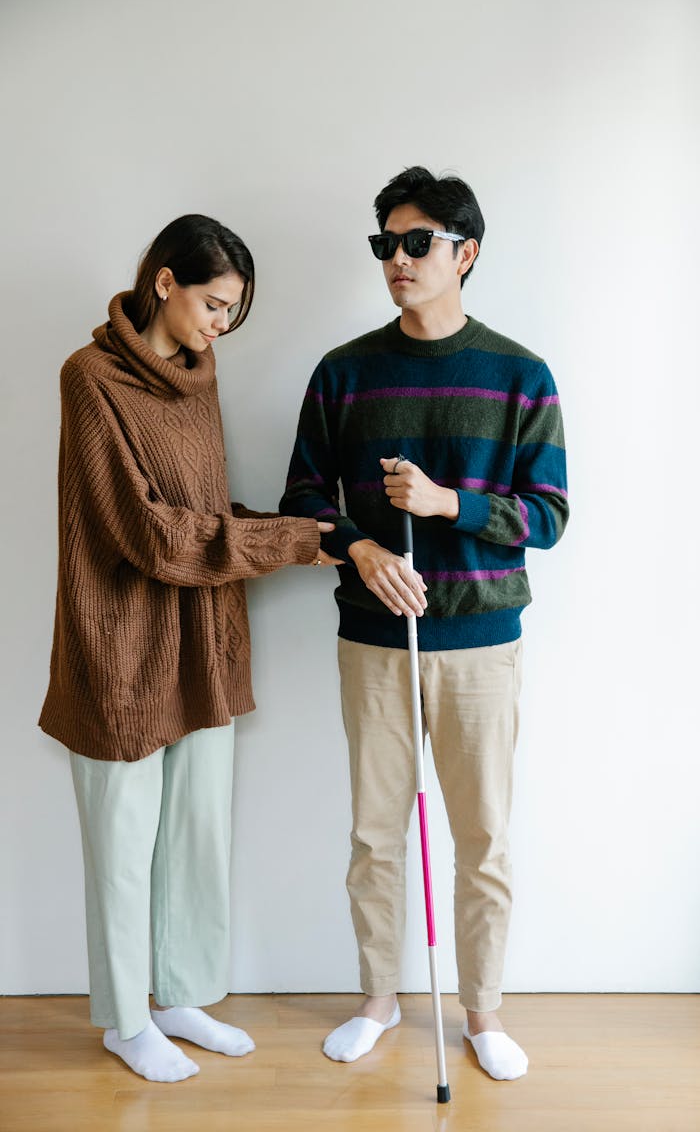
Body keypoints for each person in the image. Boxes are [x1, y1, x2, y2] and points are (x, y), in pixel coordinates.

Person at [280, 167, 568, 1081]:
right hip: (373, 638)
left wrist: (450, 503)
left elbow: (550, 517)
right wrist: (360, 548)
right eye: (386, 246)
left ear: (464, 253)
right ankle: (378, 1000)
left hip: (482, 643)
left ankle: (481, 1012)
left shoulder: (521, 374)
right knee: (374, 832)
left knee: (481, 836)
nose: (397, 261)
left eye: (417, 244)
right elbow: (302, 499)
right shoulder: (345, 372)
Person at [39, 214, 336, 1083]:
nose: (222, 325)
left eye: (234, 312)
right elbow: (149, 532)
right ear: (164, 281)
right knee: (125, 843)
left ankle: (180, 995)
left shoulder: (199, 378)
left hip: (202, 642)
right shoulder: (88, 378)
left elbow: (206, 509)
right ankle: (126, 1020)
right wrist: (284, 543)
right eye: (215, 303)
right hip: (122, 644)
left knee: (197, 834)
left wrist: (301, 533)